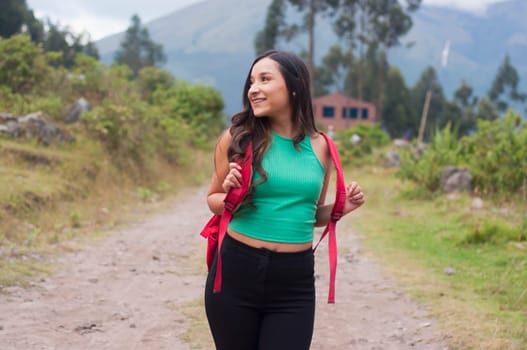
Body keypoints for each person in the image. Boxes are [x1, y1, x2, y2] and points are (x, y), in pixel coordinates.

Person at [204, 49, 365, 350]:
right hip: (236, 272)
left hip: (293, 282)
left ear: (294, 86)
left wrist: (344, 207)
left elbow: (312, 215)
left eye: (265, 79)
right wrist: (231, 196)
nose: (254, 89)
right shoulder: (237, 137)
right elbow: (213, 199)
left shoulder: (322, 147)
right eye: (252, 81)